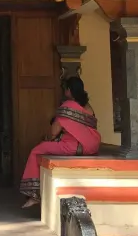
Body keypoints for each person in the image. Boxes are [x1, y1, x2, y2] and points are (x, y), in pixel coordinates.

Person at [19, 76, 100, 207]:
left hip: (74, 146)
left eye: (65, 89)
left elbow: (54, 132)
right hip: (92, 146)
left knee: (36, 150)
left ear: (69, 90)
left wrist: (48, 140)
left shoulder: (67, 106)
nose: (64, 92)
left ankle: (34, 195)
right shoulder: (89, 107)